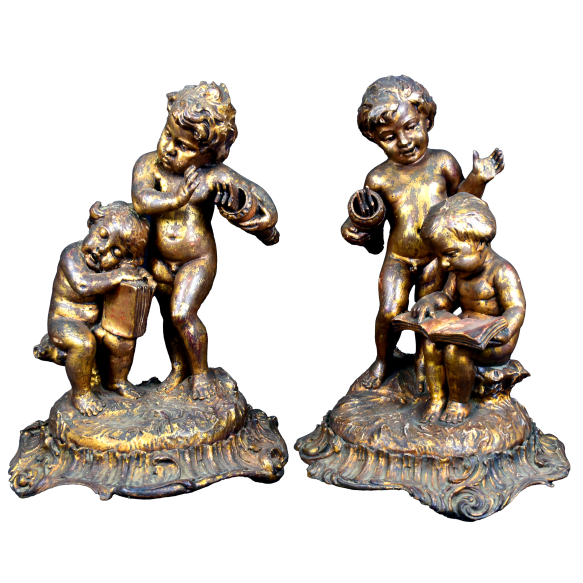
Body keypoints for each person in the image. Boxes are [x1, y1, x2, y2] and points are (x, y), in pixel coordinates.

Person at [342, 75, 505, 391]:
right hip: (399, 258)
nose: (403, 141)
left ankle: (423, 362)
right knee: (389, 311)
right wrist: (361, 229)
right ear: (374, 139)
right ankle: (383, 360)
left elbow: (461, 207)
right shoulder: (378, 179)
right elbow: (375, 239)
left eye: (411, 127)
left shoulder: (442, 163)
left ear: (427, 119)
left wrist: (478, 179)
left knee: (428, 312)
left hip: (437, 259)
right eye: (389, 137)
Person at [132, 82, 278, 399]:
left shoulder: (212, 175)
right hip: (158, 259)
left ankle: (200, 373)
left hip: (195, 260)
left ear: (209, 155)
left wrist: (260, 218)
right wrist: (176, 198)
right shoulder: (148, 165)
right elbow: (142, 200)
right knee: (168, 318)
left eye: (184, 146)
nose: (170, 148)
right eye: (168, 135)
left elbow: (261, 200)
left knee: (182, 313)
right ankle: (178, 370)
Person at [410, 193, 526, 424]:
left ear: (479, 243)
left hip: (493, 341)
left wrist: (505, 329)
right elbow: (447, 298)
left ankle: (459, 402)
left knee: (455, 351)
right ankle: (437, 398)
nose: (444, 264)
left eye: (450, 254)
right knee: (431, 344)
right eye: (440, 257)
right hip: (465, 332)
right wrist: (430, 300)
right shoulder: (459, 272)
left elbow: (516, 307)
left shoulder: (501, 271)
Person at [41, 201, 151, 416]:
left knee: (123, 342)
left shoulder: (114, 268)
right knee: (84, 343)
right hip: (65, 321)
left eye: (116, 251)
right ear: (92, 223)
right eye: (102, 235)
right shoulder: (72, 255)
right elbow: (83, 286)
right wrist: (119, 274)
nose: (102, 250)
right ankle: (81, 394)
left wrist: (140, 276)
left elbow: (130, 274)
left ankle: (117, 381)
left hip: (98, 323)